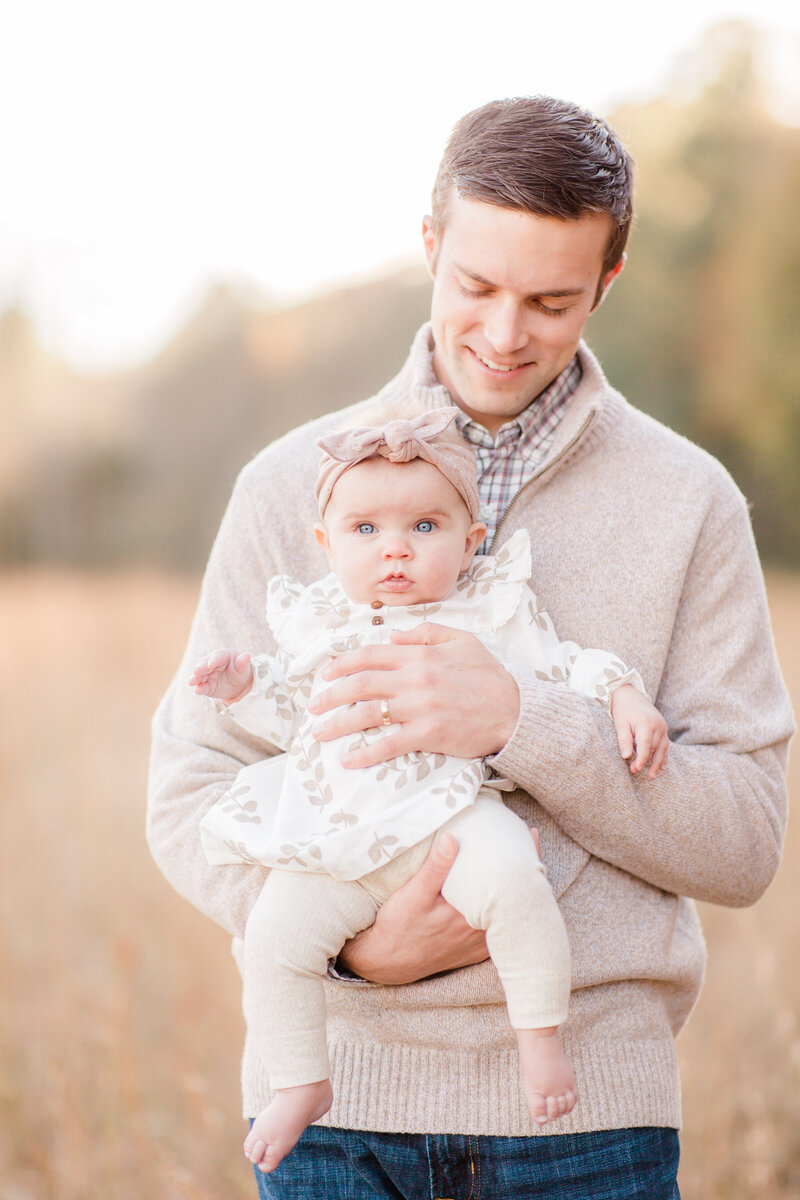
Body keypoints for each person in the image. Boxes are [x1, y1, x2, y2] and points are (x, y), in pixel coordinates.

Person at [147, 95, 794, 1199]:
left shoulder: (689, 502)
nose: (503, 336)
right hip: (331, 1122)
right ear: (429, 245)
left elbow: (741, 842)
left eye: (549, 300)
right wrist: (354, 947)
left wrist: (522, 725)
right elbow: (188, 790)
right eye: (475, 287)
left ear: (606, 281)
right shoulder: (289, 489)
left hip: (591, 1127)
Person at [187, 408, 668, 1174]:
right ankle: (300, 1081)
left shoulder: (488, 610)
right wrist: (244, 685)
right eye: (366, 531)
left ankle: (540, 1039)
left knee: (515, 880)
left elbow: (567, 665)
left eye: (424, 527)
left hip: (451, 817)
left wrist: (624, 698)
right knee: (276, 936)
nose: (396, 551)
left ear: (470, 540)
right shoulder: (320, 625)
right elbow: (295, 716)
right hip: (338, 834)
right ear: (326, 543)